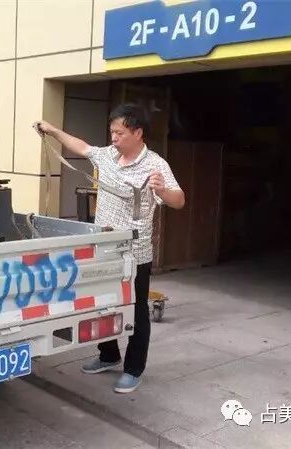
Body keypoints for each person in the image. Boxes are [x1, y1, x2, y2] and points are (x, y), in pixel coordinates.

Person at [34, 103, 185, 393]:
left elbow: (179, 200)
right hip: (103, 249)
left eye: (120, 133)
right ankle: (108, 355)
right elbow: (82, 147)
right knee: (101, 305)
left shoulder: (155, 165)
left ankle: (133, 369)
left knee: (136, 311)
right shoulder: (107, 156)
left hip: (134, 254)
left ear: (138, 133)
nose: (113, 138)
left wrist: (163, 190)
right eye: (112, 132)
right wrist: (52, 130)